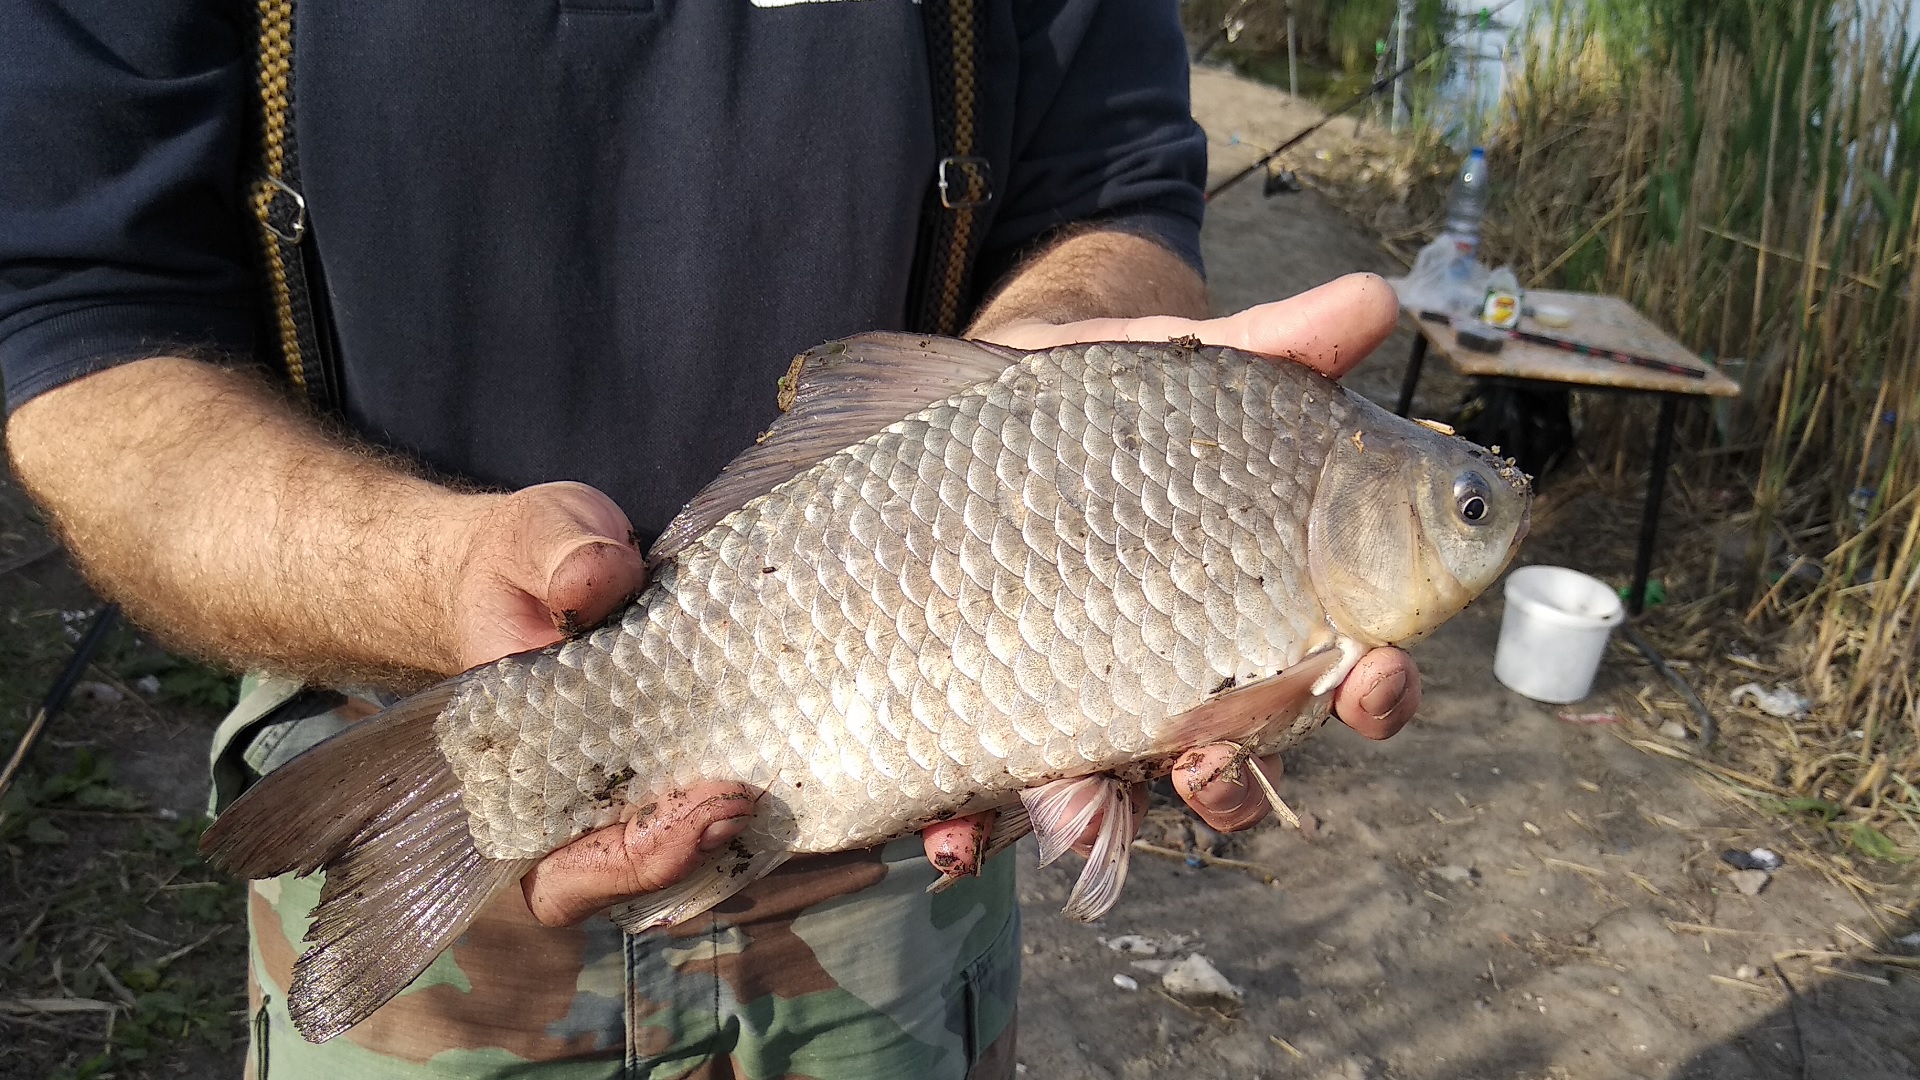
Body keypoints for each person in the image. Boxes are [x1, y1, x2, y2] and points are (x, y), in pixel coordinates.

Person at [0, 0, 1420, 1076]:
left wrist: (1040, 376)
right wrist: (423, 580)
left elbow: (1109, 186)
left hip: (895, 868)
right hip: (381, 748)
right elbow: (79, 313)